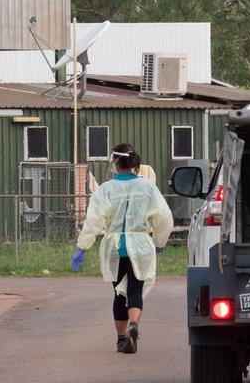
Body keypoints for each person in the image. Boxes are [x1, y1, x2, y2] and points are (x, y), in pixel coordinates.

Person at [70, 143, 174, 354]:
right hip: (141, 246)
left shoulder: (106, 189)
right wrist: (159, 241)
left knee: (119, 293)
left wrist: (82, 247)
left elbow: (93, 220)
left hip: (115, 249)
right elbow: (164, 217)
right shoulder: (147, 187)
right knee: (135, 290)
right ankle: (133, 323)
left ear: (115, 161)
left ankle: (120, 339)